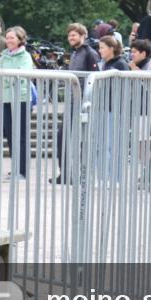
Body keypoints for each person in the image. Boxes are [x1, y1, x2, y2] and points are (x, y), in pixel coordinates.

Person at [54, 23, 100, 184]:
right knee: (63, 137)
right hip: (72, 100)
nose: (71, 38)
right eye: (69, 35)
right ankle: (65, 173)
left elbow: (95, 78)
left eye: (74, 35)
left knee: (78, 139)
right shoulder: (74, 53)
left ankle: (78, 174)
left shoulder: (90, 53)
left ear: (83, 36)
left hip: (82, 102)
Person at [0, 26, 35, 180]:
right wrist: (9, 79)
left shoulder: (25, 56)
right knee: (9, 133)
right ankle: (15, 168)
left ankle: (22, 170)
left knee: (20, 135)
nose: (9, 40)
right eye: (7, 38)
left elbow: (22, 74)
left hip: (21, 99)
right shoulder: (4, 57)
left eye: (12, 37)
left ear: (20, 39)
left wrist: (6, 78)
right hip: (6, 98)